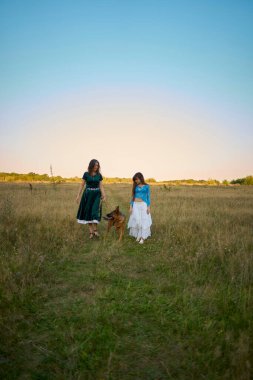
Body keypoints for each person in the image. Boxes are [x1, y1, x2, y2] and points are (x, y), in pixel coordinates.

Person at [76, 159, 106, 239]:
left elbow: (101, 186)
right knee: (88, 212)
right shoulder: (86, 174)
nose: (97, 167)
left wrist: (104, 195)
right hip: (87, 195)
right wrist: (78, 195)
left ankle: (95, 230)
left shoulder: (99, 175)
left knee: (95, 212)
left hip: (96, 195)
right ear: (91, 165)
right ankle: (91, 232)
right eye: (95, 165)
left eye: (97, 165)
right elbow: (82, 185)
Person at [127, 172, 152, 244]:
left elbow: (148, 197)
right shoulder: (135, 186)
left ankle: (142, 237)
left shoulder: (147, 186)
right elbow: (132, 196)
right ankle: (138, 234)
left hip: (143, 205)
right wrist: (131, 207)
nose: (136, 181)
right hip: (135, 205)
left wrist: (148, 207)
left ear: (141, 178)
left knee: (143, 220)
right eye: (135, 180)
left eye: (137, 179)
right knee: (137, 220)